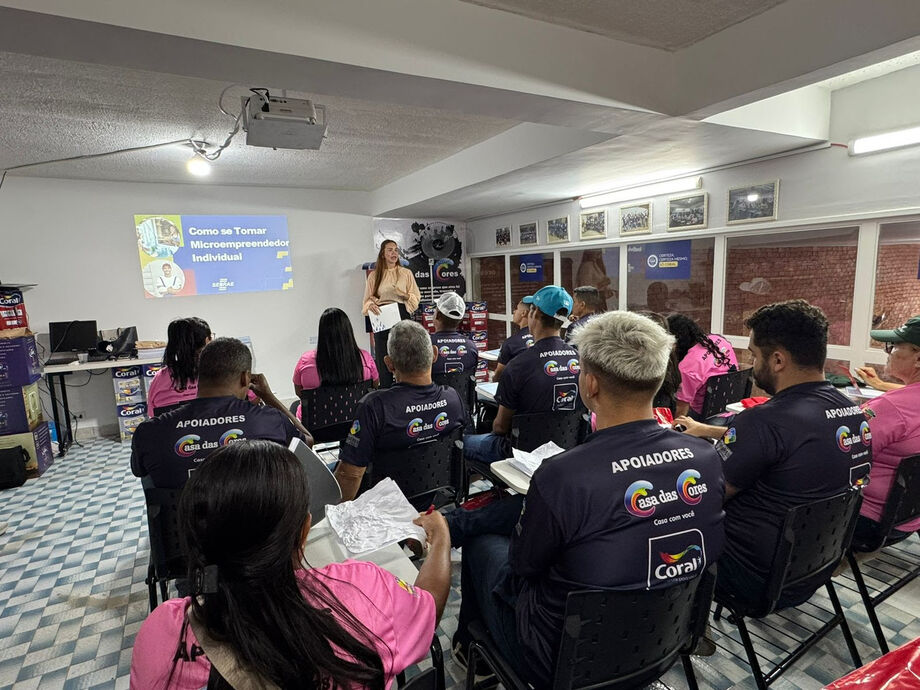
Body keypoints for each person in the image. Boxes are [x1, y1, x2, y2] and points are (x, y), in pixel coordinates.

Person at [448, 311, 725, 686]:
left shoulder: (564, 474)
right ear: (658, 378)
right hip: (665, 638)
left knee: (482, 546)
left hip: (565, 660)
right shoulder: (706, 458)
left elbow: (524, 565)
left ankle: (473, 655)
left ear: (590, 384)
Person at [130, 440, 451, 689]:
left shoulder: (163, 632)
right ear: (303, 532)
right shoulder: (364, 589)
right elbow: (428, 607)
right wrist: (441, 537)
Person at [674, 300, 871, 611]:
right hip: (818, 564)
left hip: (751, 578)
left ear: (778, 360)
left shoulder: (764, 420)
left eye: (754, 355)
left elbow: (708, 497)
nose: (753, 365)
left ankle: (682, 630)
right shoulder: (855, 413)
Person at [131, 337, 313, 489]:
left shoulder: (150, 432)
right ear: (245, 378)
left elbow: (140, 471)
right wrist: (268, 396)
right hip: (259, 527)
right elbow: (308, 441)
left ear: (199, 376)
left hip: (184, 530)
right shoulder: (271, 421)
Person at [335, 320, 467, 501]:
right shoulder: (453, 398)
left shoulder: (374, 407)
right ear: (434, 354)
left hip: (384, 510)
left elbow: (350, 475)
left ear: (389, 364)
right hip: (437, 503)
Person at [464, 286, 579, 466]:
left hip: (520, 454)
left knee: (461, 445)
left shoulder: (518, 365)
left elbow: (500, 427)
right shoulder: (581, 360)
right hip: (567, 450)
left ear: (534, 313)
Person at [854, 316, 920, 544]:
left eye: (893, 347)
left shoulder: (890, 408)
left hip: (867, 521)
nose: (887, 352)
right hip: (909, 518)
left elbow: (839, 455)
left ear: (918, 358)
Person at [293, 307, 378, 417]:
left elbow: (299, 393)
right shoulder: (365, 358)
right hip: (356, 426)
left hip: (316, 428)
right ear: (348, 331)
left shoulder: (305, 362)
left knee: (295, 406)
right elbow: (374, 386)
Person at [362, 239, 421, 388]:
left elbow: (415, 298)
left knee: (404, 354)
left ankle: (406, 388)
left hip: (401, 314)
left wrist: (404, 295)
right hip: (382, 315)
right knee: (383, 356)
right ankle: (386, 391)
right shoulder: (374, 276)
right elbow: (366, 301)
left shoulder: (406, 273)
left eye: (396, 250)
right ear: (383, 254)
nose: (394, 253)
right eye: (390, 250)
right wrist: (371, 305)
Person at [667, 313, 737, 418]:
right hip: (731, 408)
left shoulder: (687, 367)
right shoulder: (718, 340)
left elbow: (681, 411)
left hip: (704, 416)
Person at [146, 317, 212, 417]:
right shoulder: (220, 373)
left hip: (170, 431)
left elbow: (152, 415)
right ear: (207, 341)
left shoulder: (160, 379)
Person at [430, 292, 477, 375]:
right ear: (460, 320)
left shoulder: (426, 346)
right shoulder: (471, 347)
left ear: (438, 315)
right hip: (462, 388)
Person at [494, 298, 533, 381]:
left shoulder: (511, 343)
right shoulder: (542, 338)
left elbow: (499, 373)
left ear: (524, 313)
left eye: (517, 309)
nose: (514, 312)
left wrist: (494, 379)